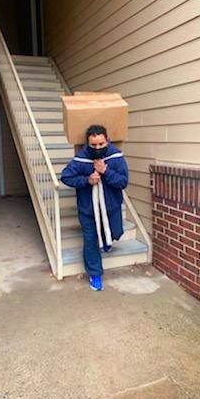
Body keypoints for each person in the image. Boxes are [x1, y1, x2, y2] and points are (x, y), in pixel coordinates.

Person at [61, 125, 129, 291]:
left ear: (107, 141)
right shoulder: (81, 159)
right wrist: (87, 180)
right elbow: (66, 177)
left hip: (110, 207)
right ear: (88, 143)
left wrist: (106, 172)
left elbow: (123, 182)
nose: (97, 148)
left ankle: (107, 241)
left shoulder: (116, 157)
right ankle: (95, 274)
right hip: (88, 210)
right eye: (93, 145)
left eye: (101, 144)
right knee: (91, 241)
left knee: (116, 232)